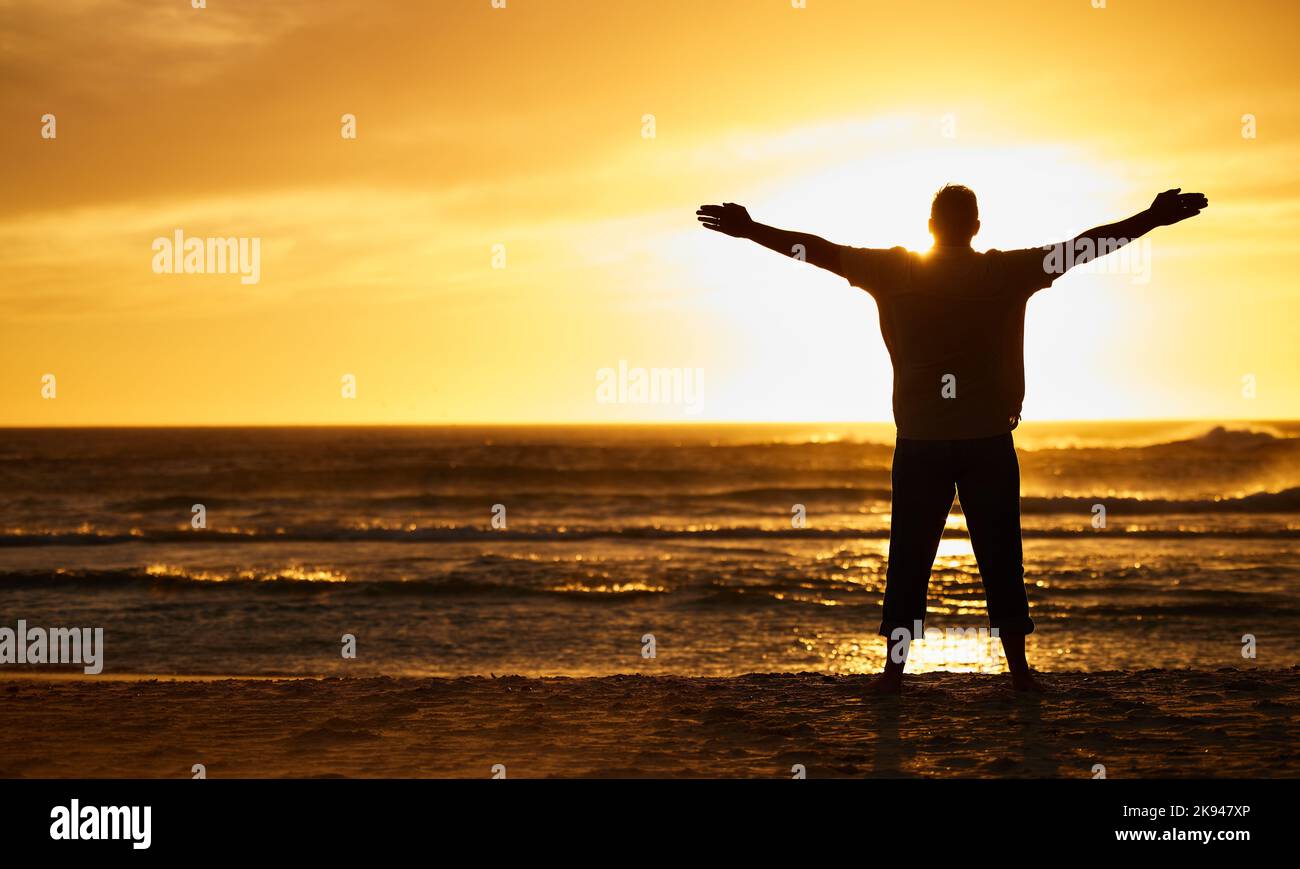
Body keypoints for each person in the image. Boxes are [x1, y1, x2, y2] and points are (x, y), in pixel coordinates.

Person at [696, 185, 1207, 692]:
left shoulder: (895, 270)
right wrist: (1152, 217)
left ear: (931, 227)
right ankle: (1020, 672)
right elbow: (1088, 245)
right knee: (1002, 554)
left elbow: (816, 250)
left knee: (910, 556)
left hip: (921, 438)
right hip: (986, 437)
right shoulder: (1004, 272)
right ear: (976, 227)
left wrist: (751, 229)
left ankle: (894, 674)